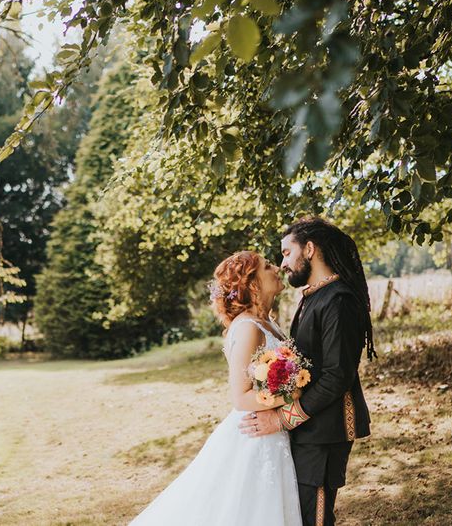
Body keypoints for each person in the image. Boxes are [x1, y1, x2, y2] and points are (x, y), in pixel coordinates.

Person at [130, 250, 303, 525]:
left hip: (273, 433)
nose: (276, 269)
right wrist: (292, 394)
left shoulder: (267, 321)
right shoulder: (247, 327)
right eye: (267, 266)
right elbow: (241, 397)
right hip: (255, 435)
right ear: (253, 283)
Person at [239, 217, 374, 526]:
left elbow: (337, 376)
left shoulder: (338, 300)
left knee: (313, 517)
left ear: (310, 249)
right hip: (311, 429)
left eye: (287, 253)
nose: (283, 263)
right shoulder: (315, 297)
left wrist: (283, 418)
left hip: (327, 430)